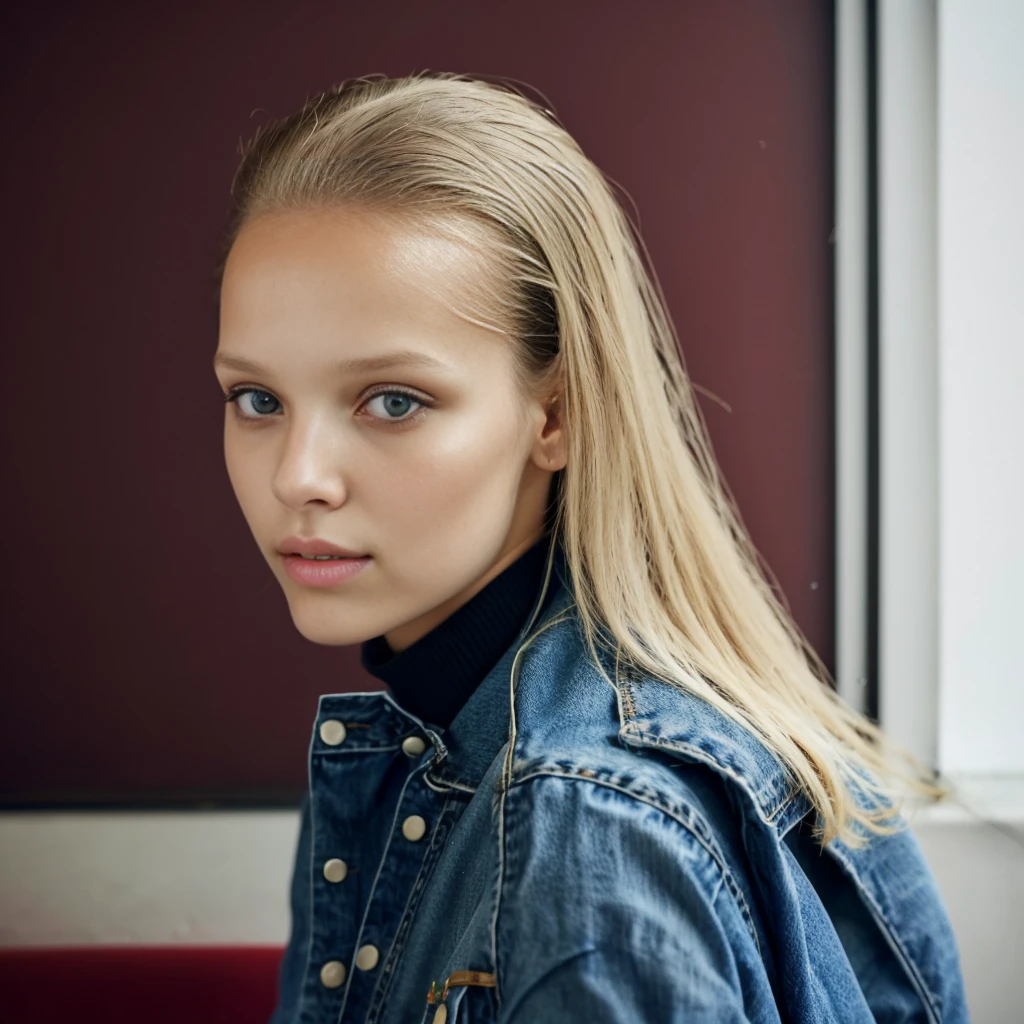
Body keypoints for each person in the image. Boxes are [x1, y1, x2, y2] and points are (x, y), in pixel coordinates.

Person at [212, 72, 968, 1024]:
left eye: (392, 401)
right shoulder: (456, 745)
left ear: (556, 412)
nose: (297, 477)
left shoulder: (587, 832)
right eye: (258, 400)